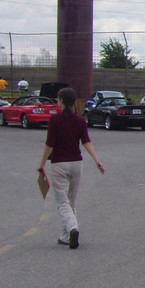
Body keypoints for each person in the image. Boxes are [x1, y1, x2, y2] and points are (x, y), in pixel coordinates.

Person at [37, 87, 105, 249]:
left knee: (62, 202)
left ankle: (73, 228)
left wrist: (42, 164)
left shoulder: (55, 120)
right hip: (76, 163)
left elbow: (50, 145)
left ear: (61, 101)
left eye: (58, 99)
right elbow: (86, 141)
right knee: (71, 201)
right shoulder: (80, 120)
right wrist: (97, 161)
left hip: (59, 163)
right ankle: (65, 236)